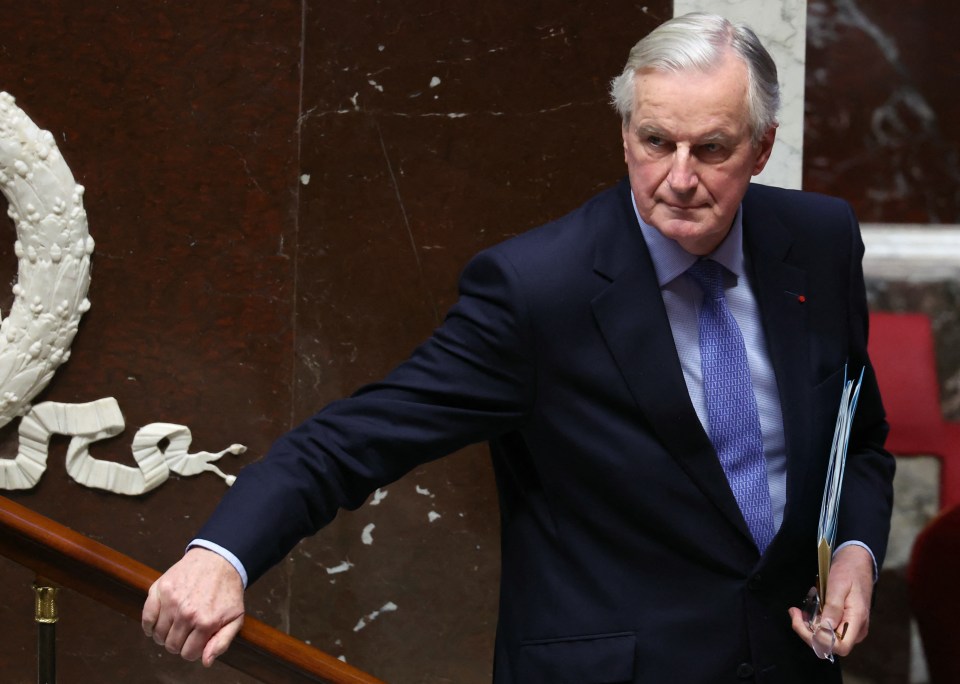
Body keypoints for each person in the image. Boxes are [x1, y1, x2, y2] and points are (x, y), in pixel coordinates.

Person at [142, 12, 895, 683]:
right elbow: (358, 437)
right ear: (624, 136)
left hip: (790, 663)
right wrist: (224, 554)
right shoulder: (539, 290)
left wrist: (856, 551)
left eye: (713, 149)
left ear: (762, 149)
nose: (679, 178)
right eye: (655, 142)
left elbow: (855, 438)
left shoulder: (819, 242)